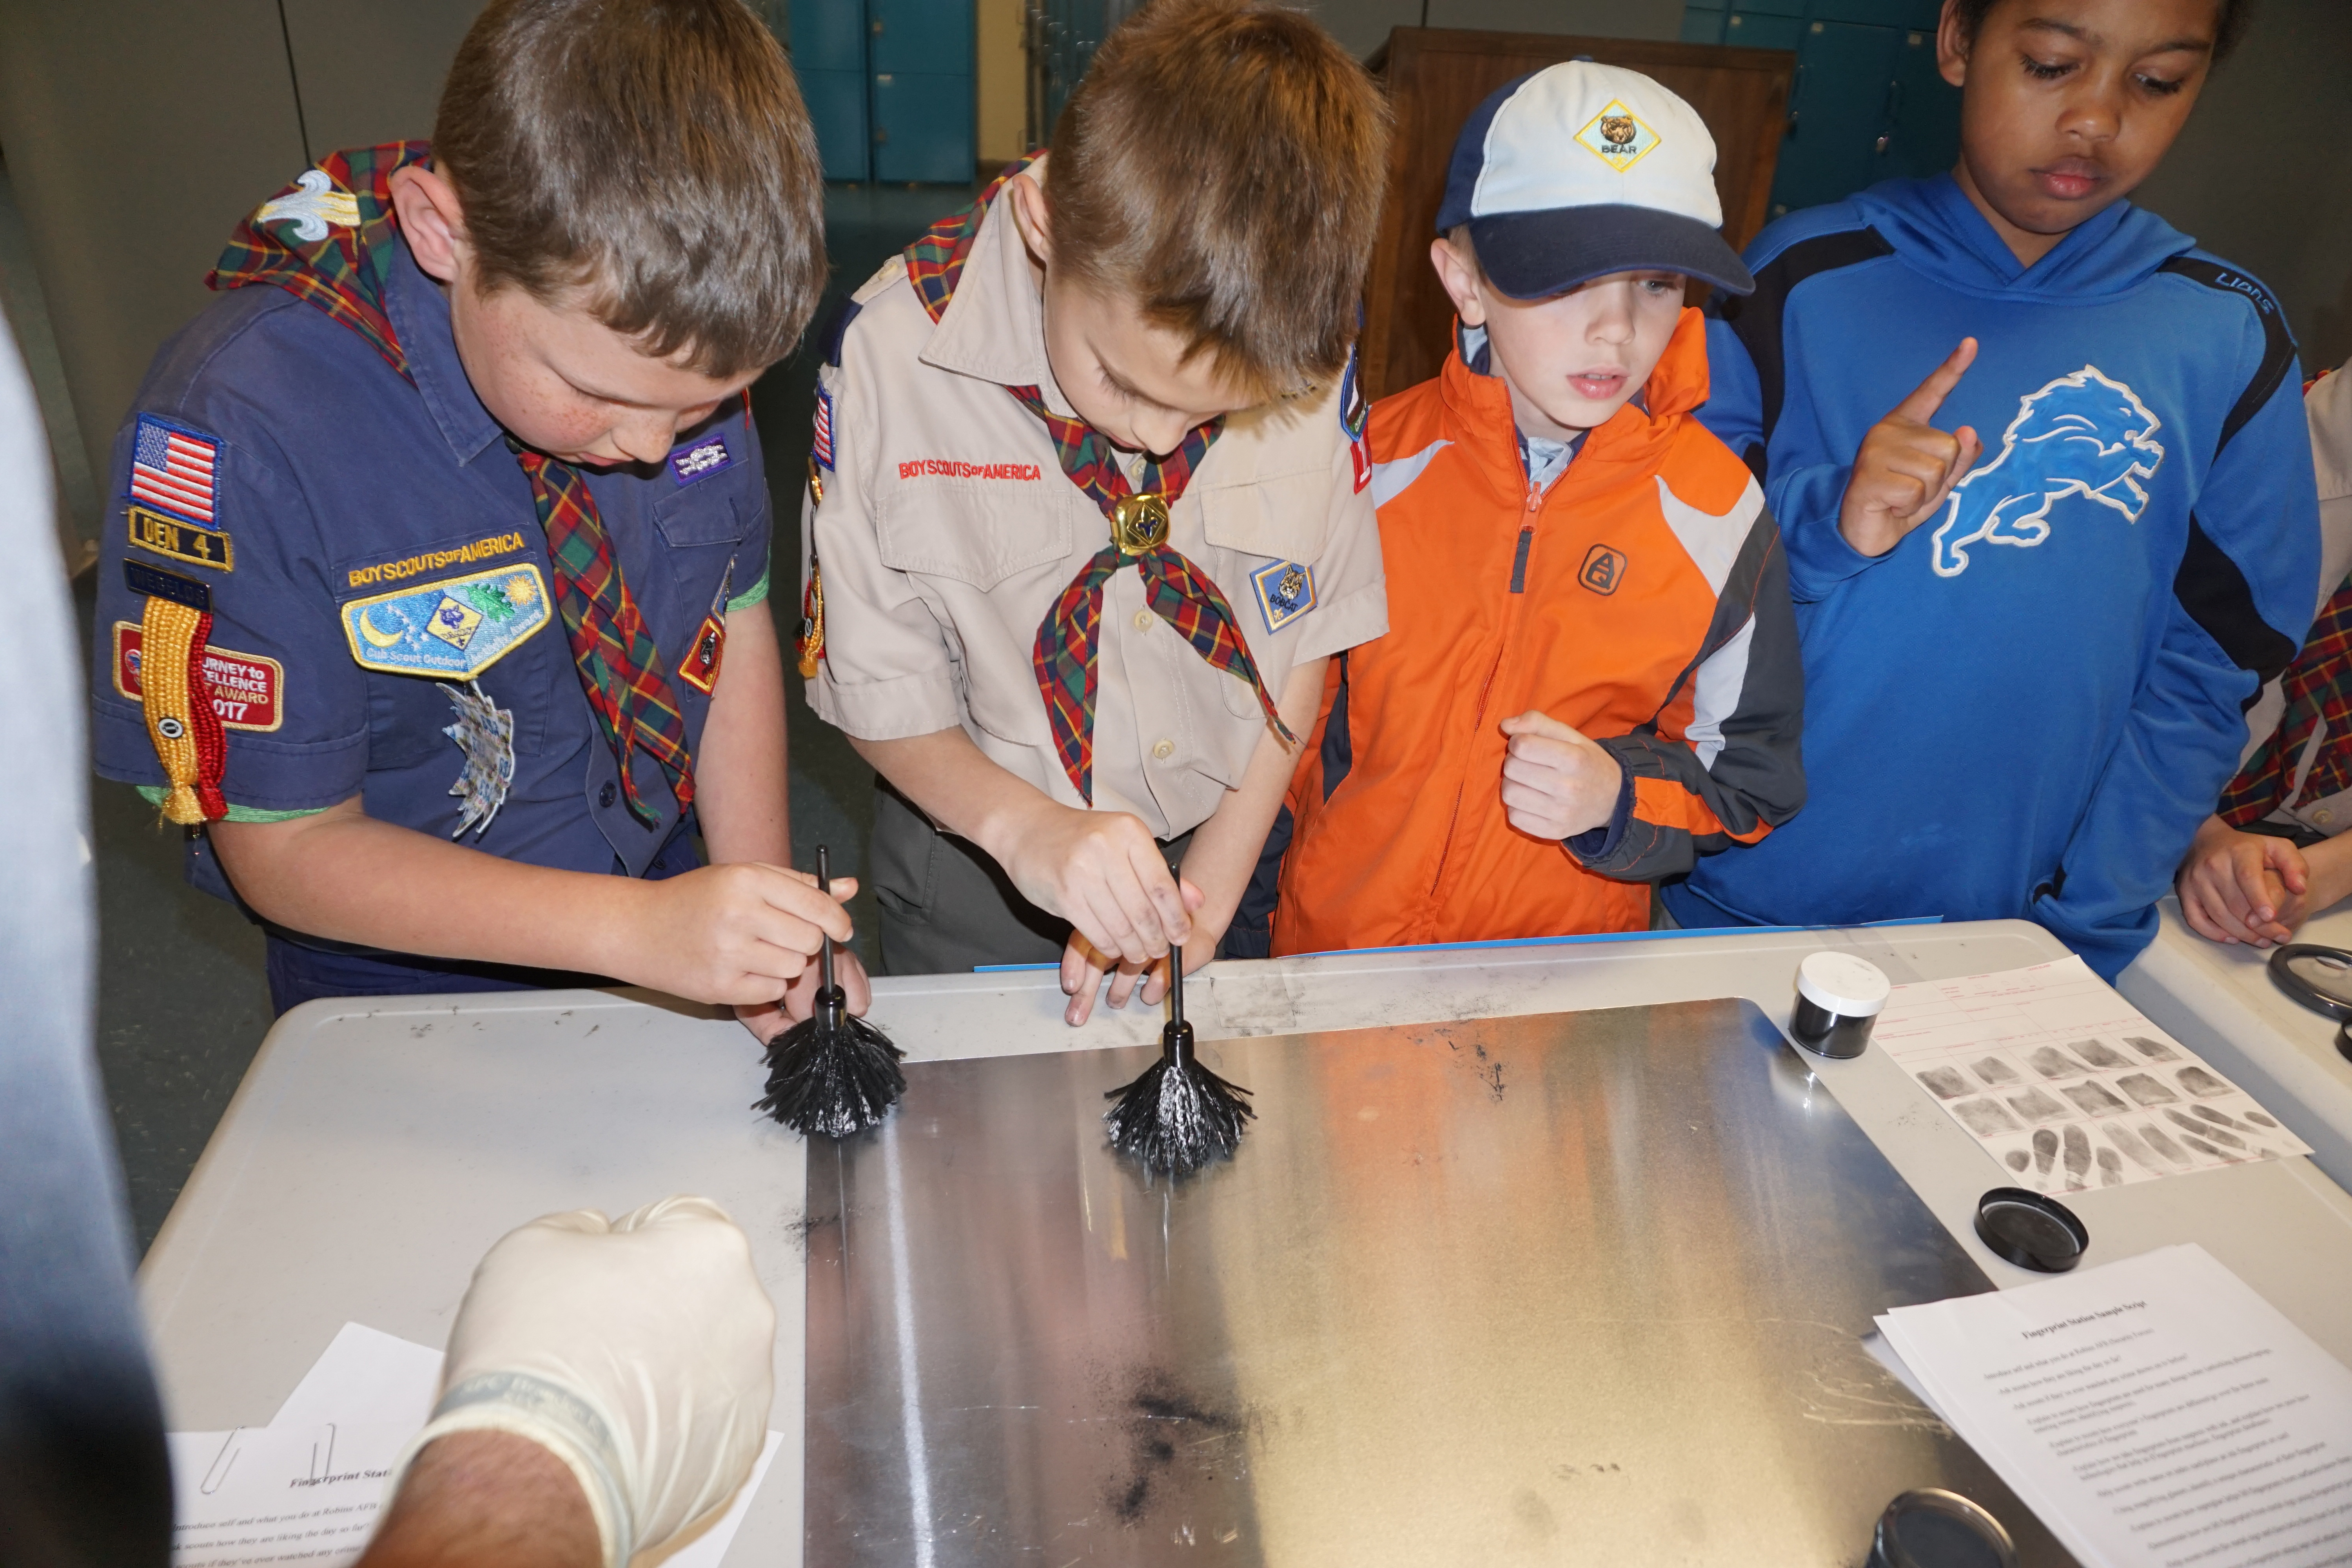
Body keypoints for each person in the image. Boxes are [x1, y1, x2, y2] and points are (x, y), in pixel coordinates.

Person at [84, 0, 866, 1037]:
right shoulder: (238, 431)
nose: (652, 447)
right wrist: (634, 934)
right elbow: (289, 848)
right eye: (600, 393)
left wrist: (764, 919)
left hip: (664, 878)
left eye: (701, 409)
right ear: (440, 231)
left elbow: (732, 620)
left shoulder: (663, 344)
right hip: (410, 971)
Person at [1659, 0, 2320, 982]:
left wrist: (2087, 917)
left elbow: (2215, 666)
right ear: (1959, 41)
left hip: (2012, 947)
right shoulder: (1798, 277)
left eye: (2157, 81)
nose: (2096, 120)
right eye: (2054, 64)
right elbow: (1665, 577)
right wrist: (1830, 518)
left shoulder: (2226, 334)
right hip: (1729, 904)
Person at [801, 0, 1390, 1024]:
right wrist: (1031, 832)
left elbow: (1309, 628)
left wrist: (1216, 874)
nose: (1160, 444)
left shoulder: (1300, 339)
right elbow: (878, 692)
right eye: (1122, 382)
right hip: (980, 863)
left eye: (1215, 409)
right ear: (1044, 221)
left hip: (1227, 838)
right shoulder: (893, 362)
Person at [1243, 63, 1805, 956]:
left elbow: (1748, 779)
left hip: (1549, 993)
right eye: (1567, 279)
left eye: (1658, 285)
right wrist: (1244, 941)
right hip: (1335, 957)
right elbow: (1278, 736)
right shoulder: (1363, 465)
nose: (1616, 329)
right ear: (1464, 281)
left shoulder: (1717, 511)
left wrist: (1618, 799)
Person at [2175, 363, 2352, 946]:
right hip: (2120, 826)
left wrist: (2318, 878)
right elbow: (2084, 681)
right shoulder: (2215, 442)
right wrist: (2199, 834)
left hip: (2308, 897)